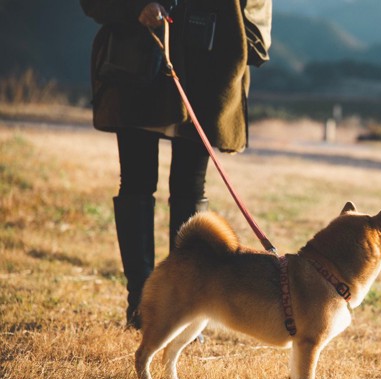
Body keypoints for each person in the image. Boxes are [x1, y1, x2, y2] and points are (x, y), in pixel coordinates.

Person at [81, 0, 272, 329]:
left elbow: (256, 17)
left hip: (207, 79)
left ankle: (182, 308)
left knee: (190, 188)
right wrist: (134, 8)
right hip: (137, 71)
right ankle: (141, 305)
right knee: (136, 184)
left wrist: (240, 42)